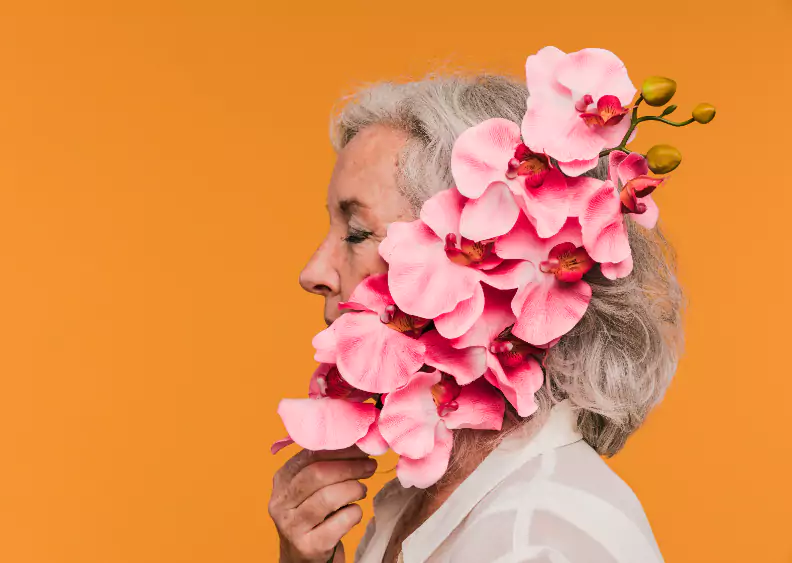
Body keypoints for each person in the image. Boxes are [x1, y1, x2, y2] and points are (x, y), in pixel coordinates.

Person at [268, 75, 682, 562]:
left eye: (357, 232)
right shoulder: (420, 505)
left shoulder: (541, 539)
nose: (312, 272)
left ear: (491, 271)